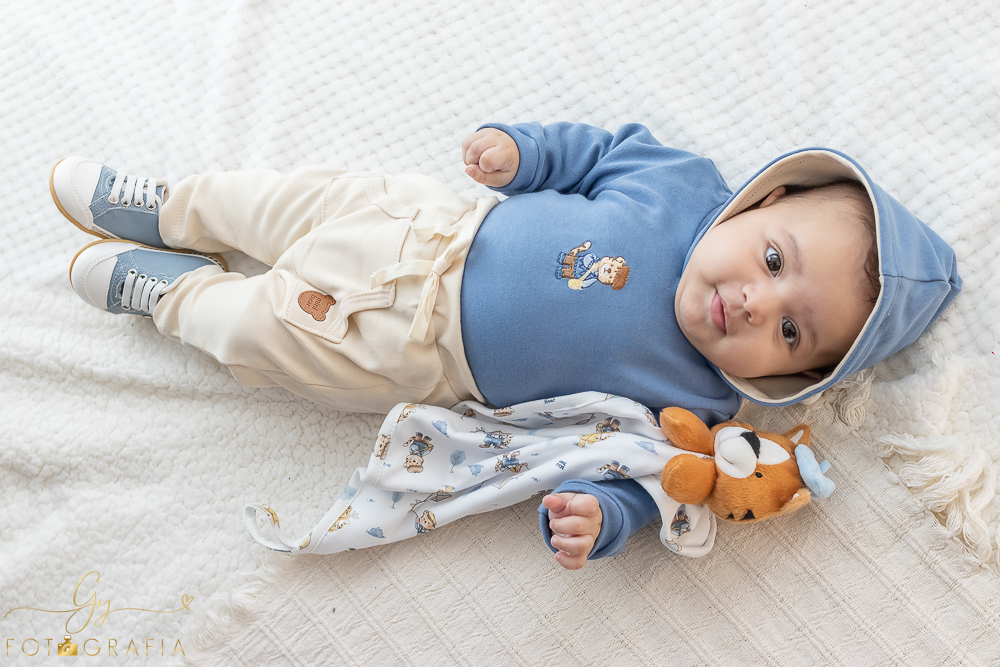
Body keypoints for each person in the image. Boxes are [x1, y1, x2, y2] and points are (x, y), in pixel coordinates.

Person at [50, 122, 961, 570]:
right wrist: (522, 154)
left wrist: (607, 521)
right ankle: (172, 207)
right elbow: (595, 151)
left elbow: (641, 473)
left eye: (792, 330)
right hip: (427, 220)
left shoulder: (701, 405)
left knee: (264, 336)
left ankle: (175, 297)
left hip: (412, 348)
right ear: (762, 202)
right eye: (772, 258)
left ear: (797, 371)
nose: (755, 302)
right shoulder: (681, 184)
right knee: (278, 197)